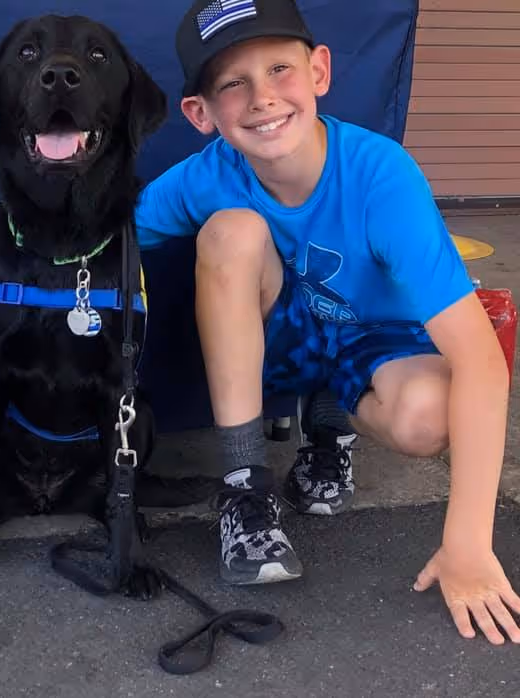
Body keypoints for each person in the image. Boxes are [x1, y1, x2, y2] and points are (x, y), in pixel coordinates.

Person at [134, 0, 520, 645]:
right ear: (201, 115)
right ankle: (244, 486)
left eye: (279, 69)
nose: (262, 98)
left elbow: (482, 360)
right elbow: (105, 246)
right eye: (233, 82)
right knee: (232, 231)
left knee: (430, 416)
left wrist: (468, 546)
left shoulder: (381, 175)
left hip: (375, 339)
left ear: (318, 71)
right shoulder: (203, 178)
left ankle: (330, 426)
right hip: (282, 336)